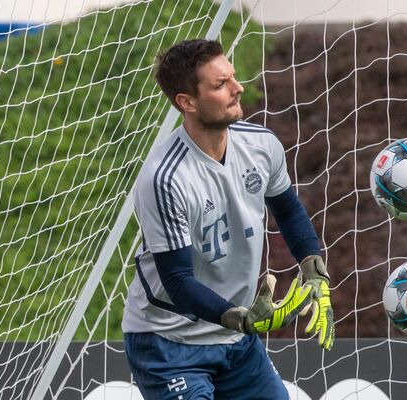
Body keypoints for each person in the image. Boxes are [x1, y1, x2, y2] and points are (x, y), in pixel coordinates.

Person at [122, 39, 334, 400]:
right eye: (220, 85)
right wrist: (241, 317)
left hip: (236, 341)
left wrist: (313, 266)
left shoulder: (261, 145)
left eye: (232, 78)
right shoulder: (165, 178)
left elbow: (288, 209)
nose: (238, 89)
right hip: (169, 342)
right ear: (186, 103)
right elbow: (177, 280)